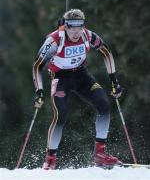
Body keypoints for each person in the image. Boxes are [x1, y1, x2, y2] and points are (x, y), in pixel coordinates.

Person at [32, 9, 123, 170]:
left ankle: (100, 154)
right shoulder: (54, 41)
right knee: (60, 115)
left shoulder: (88, 36)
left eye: (79, 27)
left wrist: (114, 81)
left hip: (81, 76)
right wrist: (39, 91)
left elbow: (107, 53)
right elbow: (37, 65)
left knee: (104, 105)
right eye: (72, 28)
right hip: (60, 79)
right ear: (65, 27)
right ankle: (50, 159)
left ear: (83, 26)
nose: (76, 32)